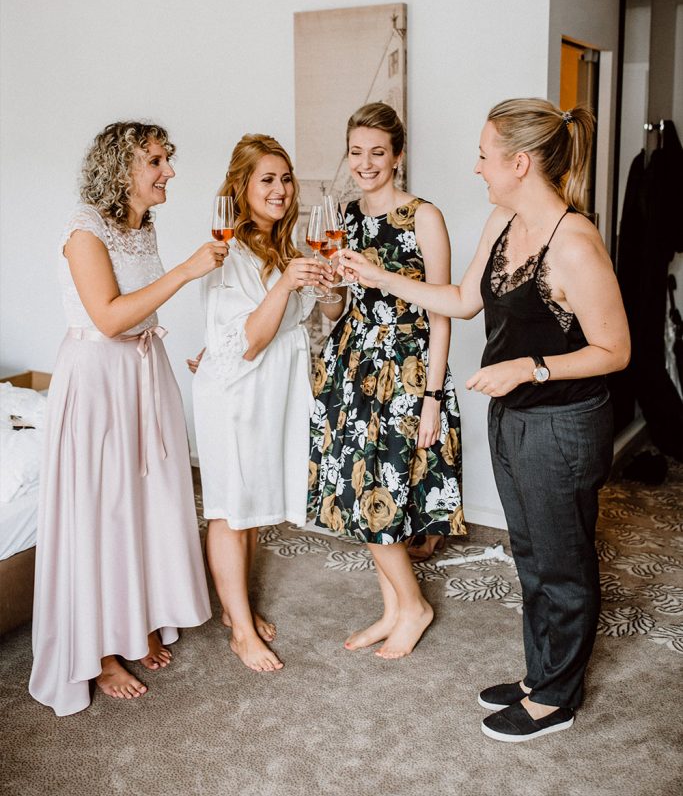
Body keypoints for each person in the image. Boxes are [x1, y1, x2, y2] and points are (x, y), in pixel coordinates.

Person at [341, 98, 630, 740]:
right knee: (529, 553)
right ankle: (540, 676)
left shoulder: (574, 243)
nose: (477, 168)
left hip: (562, 424)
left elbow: (616, 349)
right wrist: (378, 275)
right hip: (513, 419)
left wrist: (530, 368)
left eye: (483, 155)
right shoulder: (504, 219)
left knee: (564, 561)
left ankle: (555, 700)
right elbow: (463, 300)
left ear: (519, 163)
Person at [29, 121, 225, 717]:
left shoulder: (142, 225)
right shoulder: (83, 230)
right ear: (122, 168)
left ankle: (135, 616)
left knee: (145, 501)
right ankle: (101, 651)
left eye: (167, 158)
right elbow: (110, 318)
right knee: (102, 508)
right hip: (97, 381)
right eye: (157, 161)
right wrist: (189, 270)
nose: (168, 170)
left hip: (144, 373)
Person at [308, 103, 466, 661]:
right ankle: (394, 609)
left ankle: (415, 607)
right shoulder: (344, 217)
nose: (366, 163)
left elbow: (443, 313)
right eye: (356, 152)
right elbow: (334, 310)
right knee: (361, 493)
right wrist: (328, 286)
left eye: (378, 152)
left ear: (397, 155)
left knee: (391, 489)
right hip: (352, 367)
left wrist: (431, 400)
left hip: (407, 369)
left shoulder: (424, 216)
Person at [191, 134, 324, 673]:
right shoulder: (228, 252)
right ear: (242, 187)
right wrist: (288, 282)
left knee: (247, 507)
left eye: (286, 179)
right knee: (229, 505)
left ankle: (232, 608)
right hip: (235, 391)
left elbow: (308, 319)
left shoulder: (288, 247)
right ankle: (242, 631)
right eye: (267, 179)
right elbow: (249, 338)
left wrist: (320, 281)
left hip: (271, 390)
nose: (281, 190)